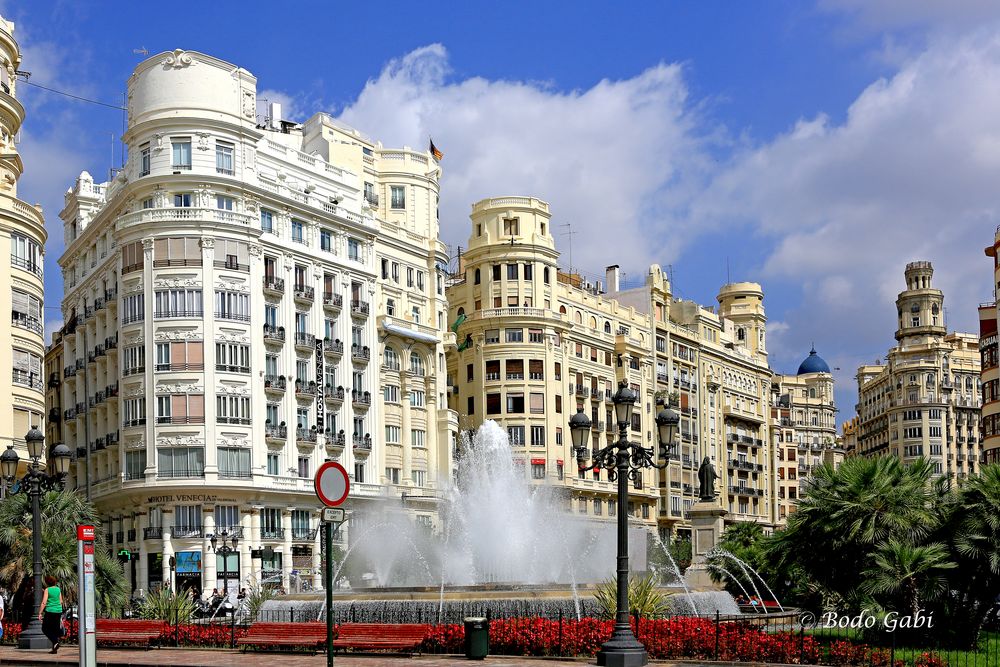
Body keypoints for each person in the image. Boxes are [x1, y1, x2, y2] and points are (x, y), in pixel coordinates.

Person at [38, 574, 63, 653]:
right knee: (54, 629)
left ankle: (55, 642)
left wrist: (40, 613)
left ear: (47, 582)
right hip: (58, 611)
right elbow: (61, 601)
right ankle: (54, 649)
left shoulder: (47, 590)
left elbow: (44, 602)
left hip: (50, 611)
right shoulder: (58, 589)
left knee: (45, 628)